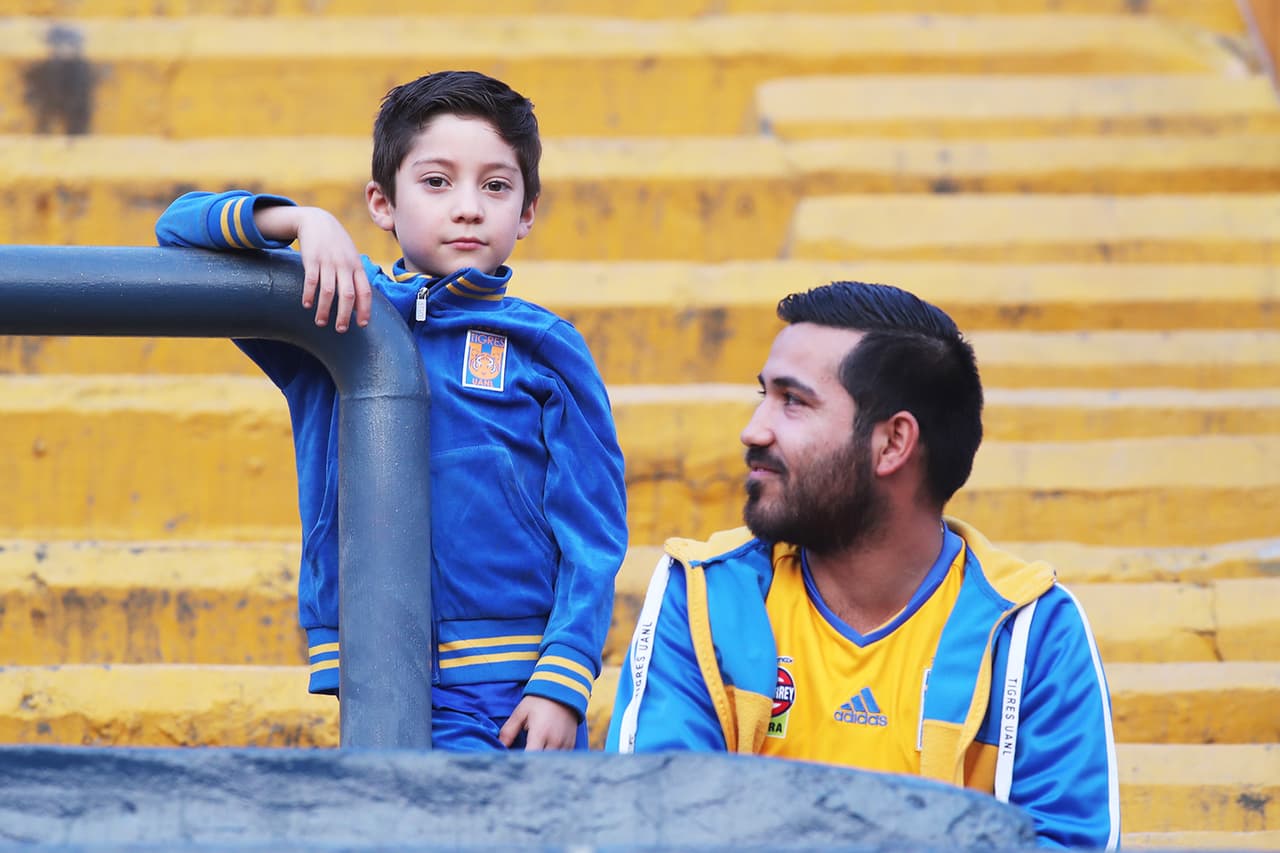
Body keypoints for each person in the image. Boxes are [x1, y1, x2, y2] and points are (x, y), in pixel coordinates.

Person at [156, 70, 628, 751]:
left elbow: (593, 526)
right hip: (377, 672)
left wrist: (563, 680)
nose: (468, 208)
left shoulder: (546, 346)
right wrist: (304, 222)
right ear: (382, 202)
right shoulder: (334, 306)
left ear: (528, 212)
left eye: (496, 186)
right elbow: (176, 231)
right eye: (437, 182)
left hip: (517, 688)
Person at [606, 281, 1119, 849]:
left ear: (893, 443)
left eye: (793, 401)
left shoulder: (1030, 633)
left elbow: (1067, 840)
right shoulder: (706, 596)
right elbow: (653, 826)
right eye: (763, 395)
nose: (754, 429)